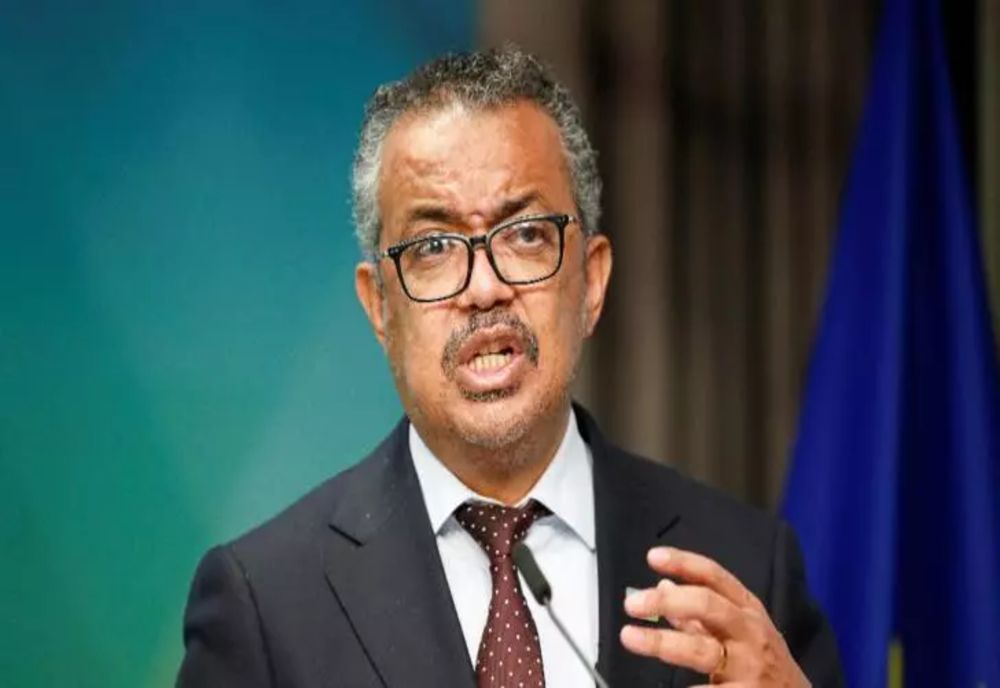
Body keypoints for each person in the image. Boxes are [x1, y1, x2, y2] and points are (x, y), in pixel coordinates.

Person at [177, 47, 842, 688]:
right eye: (433, 246)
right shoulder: (266, 604)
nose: (485, 287)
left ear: (591, 281)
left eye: (525, 235)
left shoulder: (745, 567)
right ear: (379, 306)